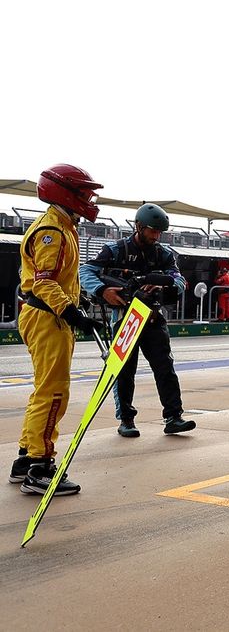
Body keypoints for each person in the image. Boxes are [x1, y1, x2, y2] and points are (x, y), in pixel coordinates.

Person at [9, 164, 102, 496]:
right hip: (48, 318)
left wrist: (79, 297)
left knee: (43, 390)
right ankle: (41, 466)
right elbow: (44, 282)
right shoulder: (54, 232)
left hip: (43, 315)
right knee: (54, 393)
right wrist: (71, 312)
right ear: (66, 192)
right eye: (84, 193)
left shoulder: (59, 225)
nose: (89, 199)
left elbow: (56, 277)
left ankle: (25, 458)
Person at [80, 204, 195, 438]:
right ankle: (126, 420)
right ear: (139, 227)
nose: (156, 236)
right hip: (125, 319)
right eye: (152, 231)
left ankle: (173, 417)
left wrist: (164, 283)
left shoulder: (164, 254)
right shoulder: (114, 250)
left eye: (159, 232)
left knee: (165, 369)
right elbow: (85, 271)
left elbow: (179, 280)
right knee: (124, 371)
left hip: (153, 317)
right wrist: (103, 291)